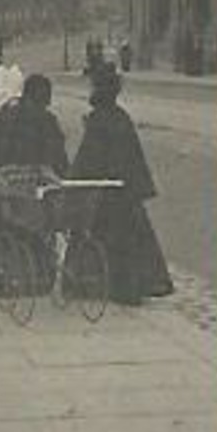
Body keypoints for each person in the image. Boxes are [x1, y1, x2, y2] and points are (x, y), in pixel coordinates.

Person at [69, 65, 173, 305]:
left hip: (104, 192)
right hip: (125, 190)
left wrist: (72, 180)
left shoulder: (98, 120)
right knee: (131, 237)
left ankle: (97, 282)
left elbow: (88, 159)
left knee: (94, 230)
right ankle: (133, 284)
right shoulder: (121, 117)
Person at [0, 72, 68, 295]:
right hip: (38, 195)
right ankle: (41, 268)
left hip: (8, 190)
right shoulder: (48, 121)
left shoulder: (0, 119)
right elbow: (59, 160)